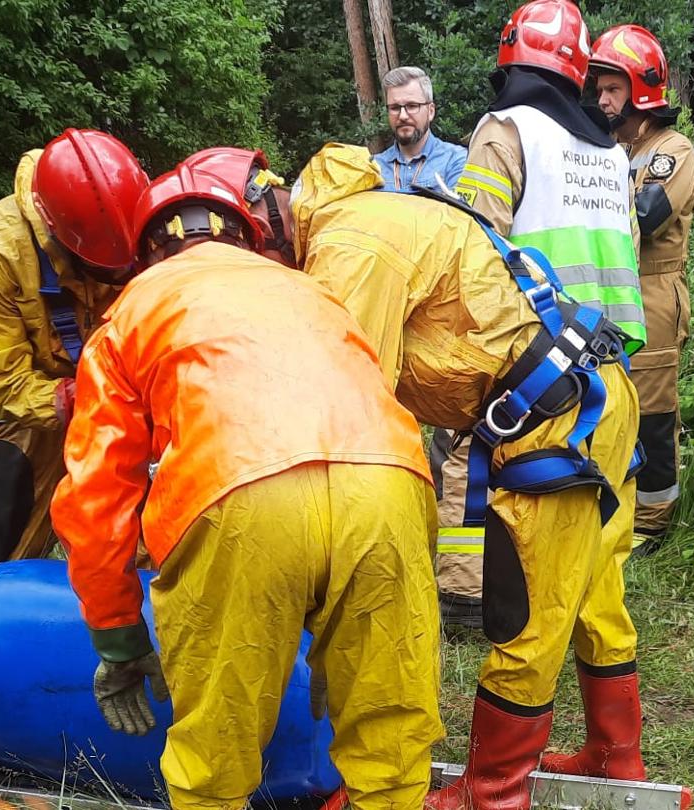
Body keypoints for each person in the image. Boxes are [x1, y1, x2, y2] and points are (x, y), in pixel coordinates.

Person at [51, 163, 443, 810]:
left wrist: (120, 642)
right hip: (390, 486)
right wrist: (350, 624)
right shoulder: (312, 292)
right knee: (392, 752)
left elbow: (97, 502)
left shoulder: (130, 314)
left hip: (236, 496)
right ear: (248, 232)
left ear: (146, 250)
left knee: (215, 764)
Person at [292, 143, 655, 809]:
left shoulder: (347, 245)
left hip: (556, 421)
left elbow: (349, 409)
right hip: (595, 391)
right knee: (592, 596)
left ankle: (492, 794)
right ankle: (614, 754)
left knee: (530, 618)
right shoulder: (392, 209)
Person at [0, 128, 148, 563]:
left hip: (131, 397)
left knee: (155, 521)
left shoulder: (142, 219)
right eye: (105, 271)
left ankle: (145, 601)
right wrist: (75, 398)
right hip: (42, 407)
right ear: (65, 242)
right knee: (5, 471)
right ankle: (10, 595)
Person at [589, 24, 694, 546]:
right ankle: (612, 506)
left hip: (654, 291)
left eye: (613, 89)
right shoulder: (605, 148)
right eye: (599, 89)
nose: (603, 99)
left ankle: (653, 522)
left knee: (653, 412)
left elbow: (647, 213)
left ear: (641, 90)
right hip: (610, 289)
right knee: (607, 403)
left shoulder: (672, 151)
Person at [373, 66, 468, 193]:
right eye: (395, 108)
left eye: (412, 106)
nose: (403, 116)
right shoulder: (373, 168)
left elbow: (458, 212)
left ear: (430, 111)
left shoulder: (456, 160)